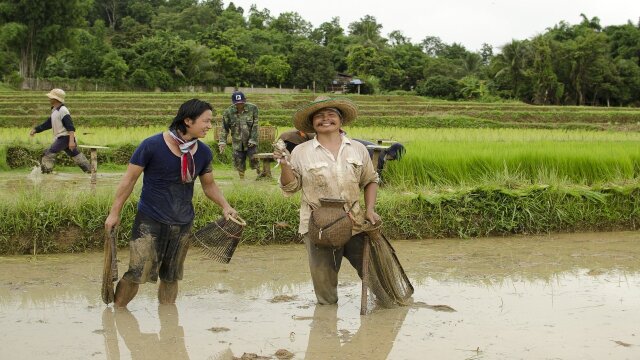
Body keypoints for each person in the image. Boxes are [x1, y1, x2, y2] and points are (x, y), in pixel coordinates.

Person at [104, 99, 238, 308]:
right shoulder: (152, 145)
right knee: (137, 273)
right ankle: (117, 313)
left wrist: (225, 206)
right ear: (187, 121)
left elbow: (209, 186)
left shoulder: (203, 153)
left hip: (183, 223)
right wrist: (114, 213)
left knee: (171, 276)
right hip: (150, 221)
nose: (210, 126)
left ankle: (168, 323)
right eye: (206, 121)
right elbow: (128, 181)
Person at [274, 95, 382, 305]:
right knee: (325, 291)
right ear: (312, 123)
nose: (325, 119)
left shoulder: (357, 149)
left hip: (355, 222)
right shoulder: (301, 152)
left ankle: (386, 311)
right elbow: (291, 187)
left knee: (375, 275)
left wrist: (369, 210)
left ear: (340, 120)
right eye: (319, 116)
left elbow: (371, 179)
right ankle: (326, 326)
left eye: (331, 115)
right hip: (318, 226)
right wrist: (284, 164)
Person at [29, 88, 91, 174]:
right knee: (76, 155)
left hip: (65, 137)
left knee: (48, 154)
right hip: (63, 138)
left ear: (55, 99)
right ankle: (90, 171)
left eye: (51, 97)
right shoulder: (54, 110)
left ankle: (46, 173)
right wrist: (36, 129)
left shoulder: (63, 110)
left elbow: (70, 127)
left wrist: (71, 141)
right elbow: (48, 124)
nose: (49, 99)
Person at [218, 91, 260, 179]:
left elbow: (255, 125)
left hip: (250, 140)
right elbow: (224, 128)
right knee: (239, 161)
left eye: (241, 103)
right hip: (237, 141)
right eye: (237, 103)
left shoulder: (253, 108)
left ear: (245, 101)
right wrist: (222, 142)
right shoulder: (228, 112)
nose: (240, 105)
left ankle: (259, 175)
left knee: (254, 159)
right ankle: (242, 180)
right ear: (233, 103)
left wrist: (253, 139)